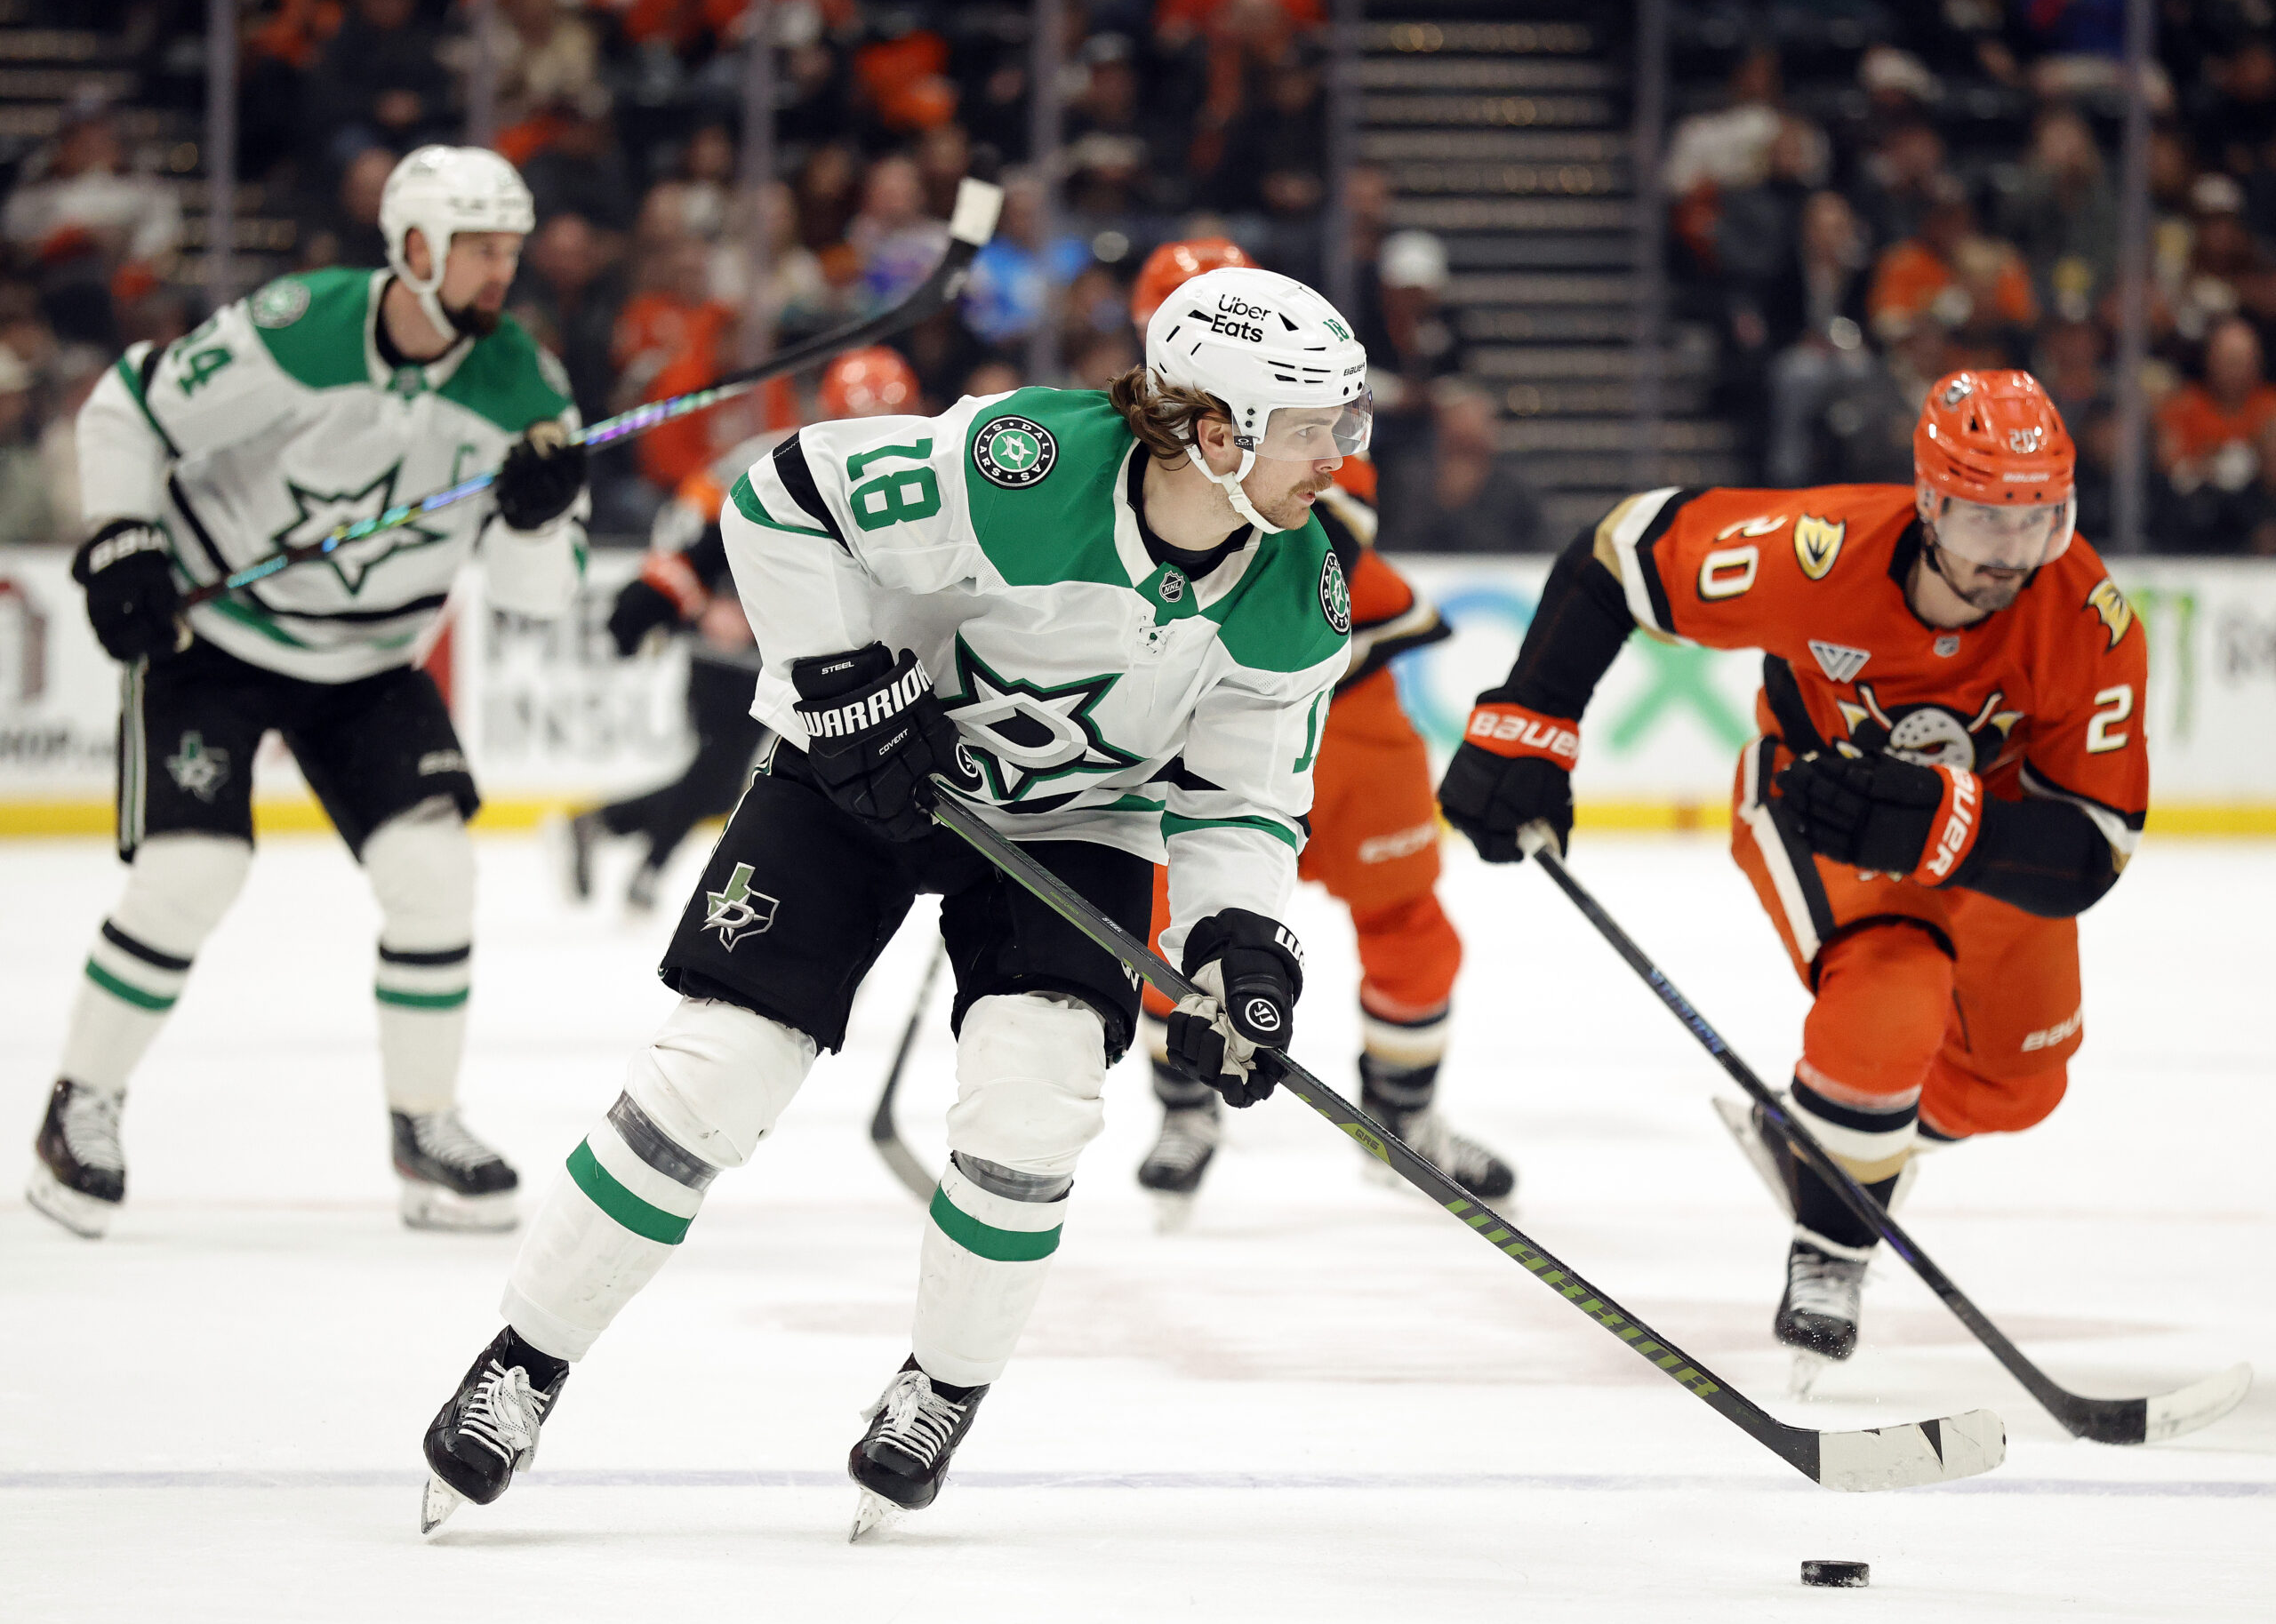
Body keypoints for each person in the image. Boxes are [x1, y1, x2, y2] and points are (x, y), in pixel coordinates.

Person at [419, 263, 1366, 1538]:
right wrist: (843, 680)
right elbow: (782, 496)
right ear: (1214, 431)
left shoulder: (1298, 592)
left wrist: (1238, 946)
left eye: (1343, 423)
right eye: (1311, 428)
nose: (1339, 458)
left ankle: (941, 1388)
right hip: (860, 771)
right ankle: (522, 1361)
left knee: (1035, 1102)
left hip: (1077, 821)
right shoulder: (1019, 466)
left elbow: (1241, 802)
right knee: (716, 1073)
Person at [1437, 370, 2148, 1385]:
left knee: (2016, 1085)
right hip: (1820, 803)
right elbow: (1621, 552)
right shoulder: (1821, 551)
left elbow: (2093, 844)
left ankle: (1815, 1136)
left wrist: (1947, 825)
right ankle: (1831, 1248)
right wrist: (1531, 720)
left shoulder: (2087, 618)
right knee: (1892, 992)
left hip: (1987, 835)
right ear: (1930, 502)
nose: (2012, 554)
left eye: (2038, 521)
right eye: (1986, 520)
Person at [26, 146, 590, 1240]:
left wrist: (534, 520)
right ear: (416, 247)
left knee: (434, 875)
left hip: (369, 666)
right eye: (480, 248)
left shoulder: (527, 387)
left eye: (510, 249)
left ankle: (424, 1124)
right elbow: (127, 408)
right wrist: (124, 535)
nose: (502, 270)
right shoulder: (297, 330)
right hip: (213, 641)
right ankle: (79, 1103)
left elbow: (538, 595)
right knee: (192, 872)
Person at [1124, 237, 1512, 1219]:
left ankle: (1404, 1116)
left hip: (1347, 699)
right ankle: (1184, 1109)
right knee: (1177, 923)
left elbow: (1319, 541)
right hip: (1199, 709)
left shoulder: (1310, 408)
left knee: (1408, 919)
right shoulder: (1113, 441)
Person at [555, 346, 923, 910]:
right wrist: (686, 602)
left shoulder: (919, 473)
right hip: (733, 644)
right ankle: (649, 868)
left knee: (728, 779)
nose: (870, 439)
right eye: (857, 423)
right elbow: (691, 531)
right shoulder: (774, 461)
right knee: (724, 765)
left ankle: (606, 824)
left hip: (806, 652)